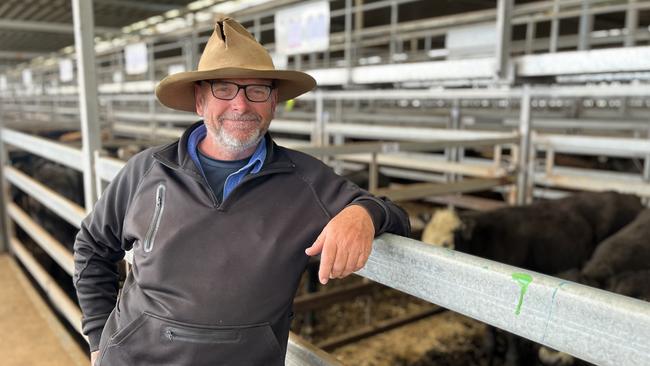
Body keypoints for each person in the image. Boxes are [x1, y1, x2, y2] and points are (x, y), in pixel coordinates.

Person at [73, 17, 410, 366]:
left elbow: (395, 215)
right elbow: (92, 245)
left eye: (257, 90)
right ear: (200, 100)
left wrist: (363, 215)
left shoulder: (306, 181)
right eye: (223, 88)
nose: (241, 104)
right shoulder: (147, 170)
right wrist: (98, 337)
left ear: (273, 102)